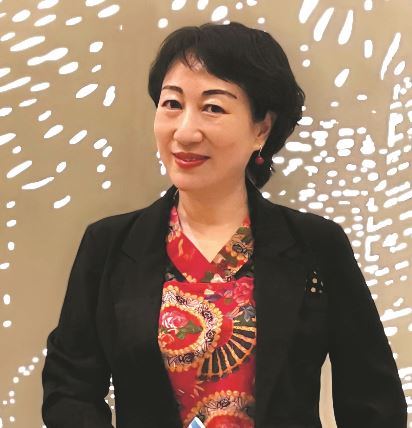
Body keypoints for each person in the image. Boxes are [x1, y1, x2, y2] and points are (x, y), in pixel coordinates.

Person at [41, 22, 407, 428]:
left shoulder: (316, 244)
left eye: (213, 108)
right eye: (172, 104)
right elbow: (69, 388)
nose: (185, 132)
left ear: (261, 129)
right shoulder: (108, 244)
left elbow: (373, 400)